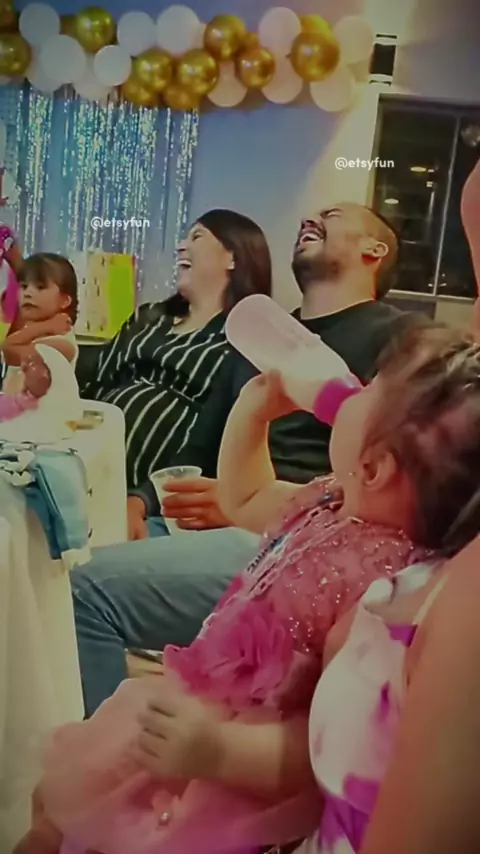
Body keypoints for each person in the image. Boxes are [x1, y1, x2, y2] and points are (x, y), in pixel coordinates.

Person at [17, 321, 480, 854]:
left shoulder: (380, 589)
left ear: (374, 467)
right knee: (61, 813)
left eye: (370, 386)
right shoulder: (331, 497)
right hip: (194, 697)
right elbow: (245, 495)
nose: (352, 386)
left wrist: (220, 751)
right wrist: (253, 413)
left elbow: (325, 738)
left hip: (236, 759)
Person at [73, 200, 413, 715]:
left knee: (82, 591)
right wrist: (140, 501)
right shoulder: (261, 335)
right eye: (310, 216)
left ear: (375, 249)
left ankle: (106, 748)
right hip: (214, 517)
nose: (311, 219)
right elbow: (199, 445)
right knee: (56, 556)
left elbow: (384, 473)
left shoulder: (399, 340)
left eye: (333, 215)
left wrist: (246, 503)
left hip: (295, 535)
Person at [76, 209, 272, 489]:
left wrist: (146, 499)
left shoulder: (241, 342)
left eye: (197, 236)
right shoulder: (148, 318)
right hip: (85, 459)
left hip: (153, 489)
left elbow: (215, 439)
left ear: (233, 257)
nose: (181, 246)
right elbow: (94, 383)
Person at [0, 253, 78, 416]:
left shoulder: (62, 342)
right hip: (20, 418)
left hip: (45, 421)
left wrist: (44, 326)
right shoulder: (30, 331)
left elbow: (9, 349)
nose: (28, 293)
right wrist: (43, 326)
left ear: (64, 300)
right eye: (23, 286)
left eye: (40, 287)